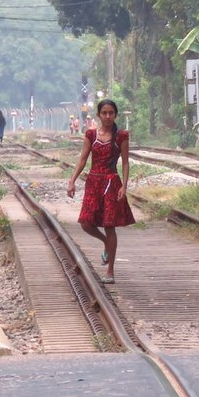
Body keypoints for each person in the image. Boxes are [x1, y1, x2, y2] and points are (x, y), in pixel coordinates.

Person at [67, 98, 135, 284]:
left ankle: (110, 271)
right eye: (104, 113)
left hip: (111, 183)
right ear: (99, 115)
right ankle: (105, 242)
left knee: (109, 225)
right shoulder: (91, 134)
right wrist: (72, 180)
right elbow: (82, 159)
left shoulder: (121, 136)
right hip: (93, 182)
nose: (107, 116)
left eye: (111, 113)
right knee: (86, 223)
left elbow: (126, 162)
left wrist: (124, 185)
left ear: (115, 115)